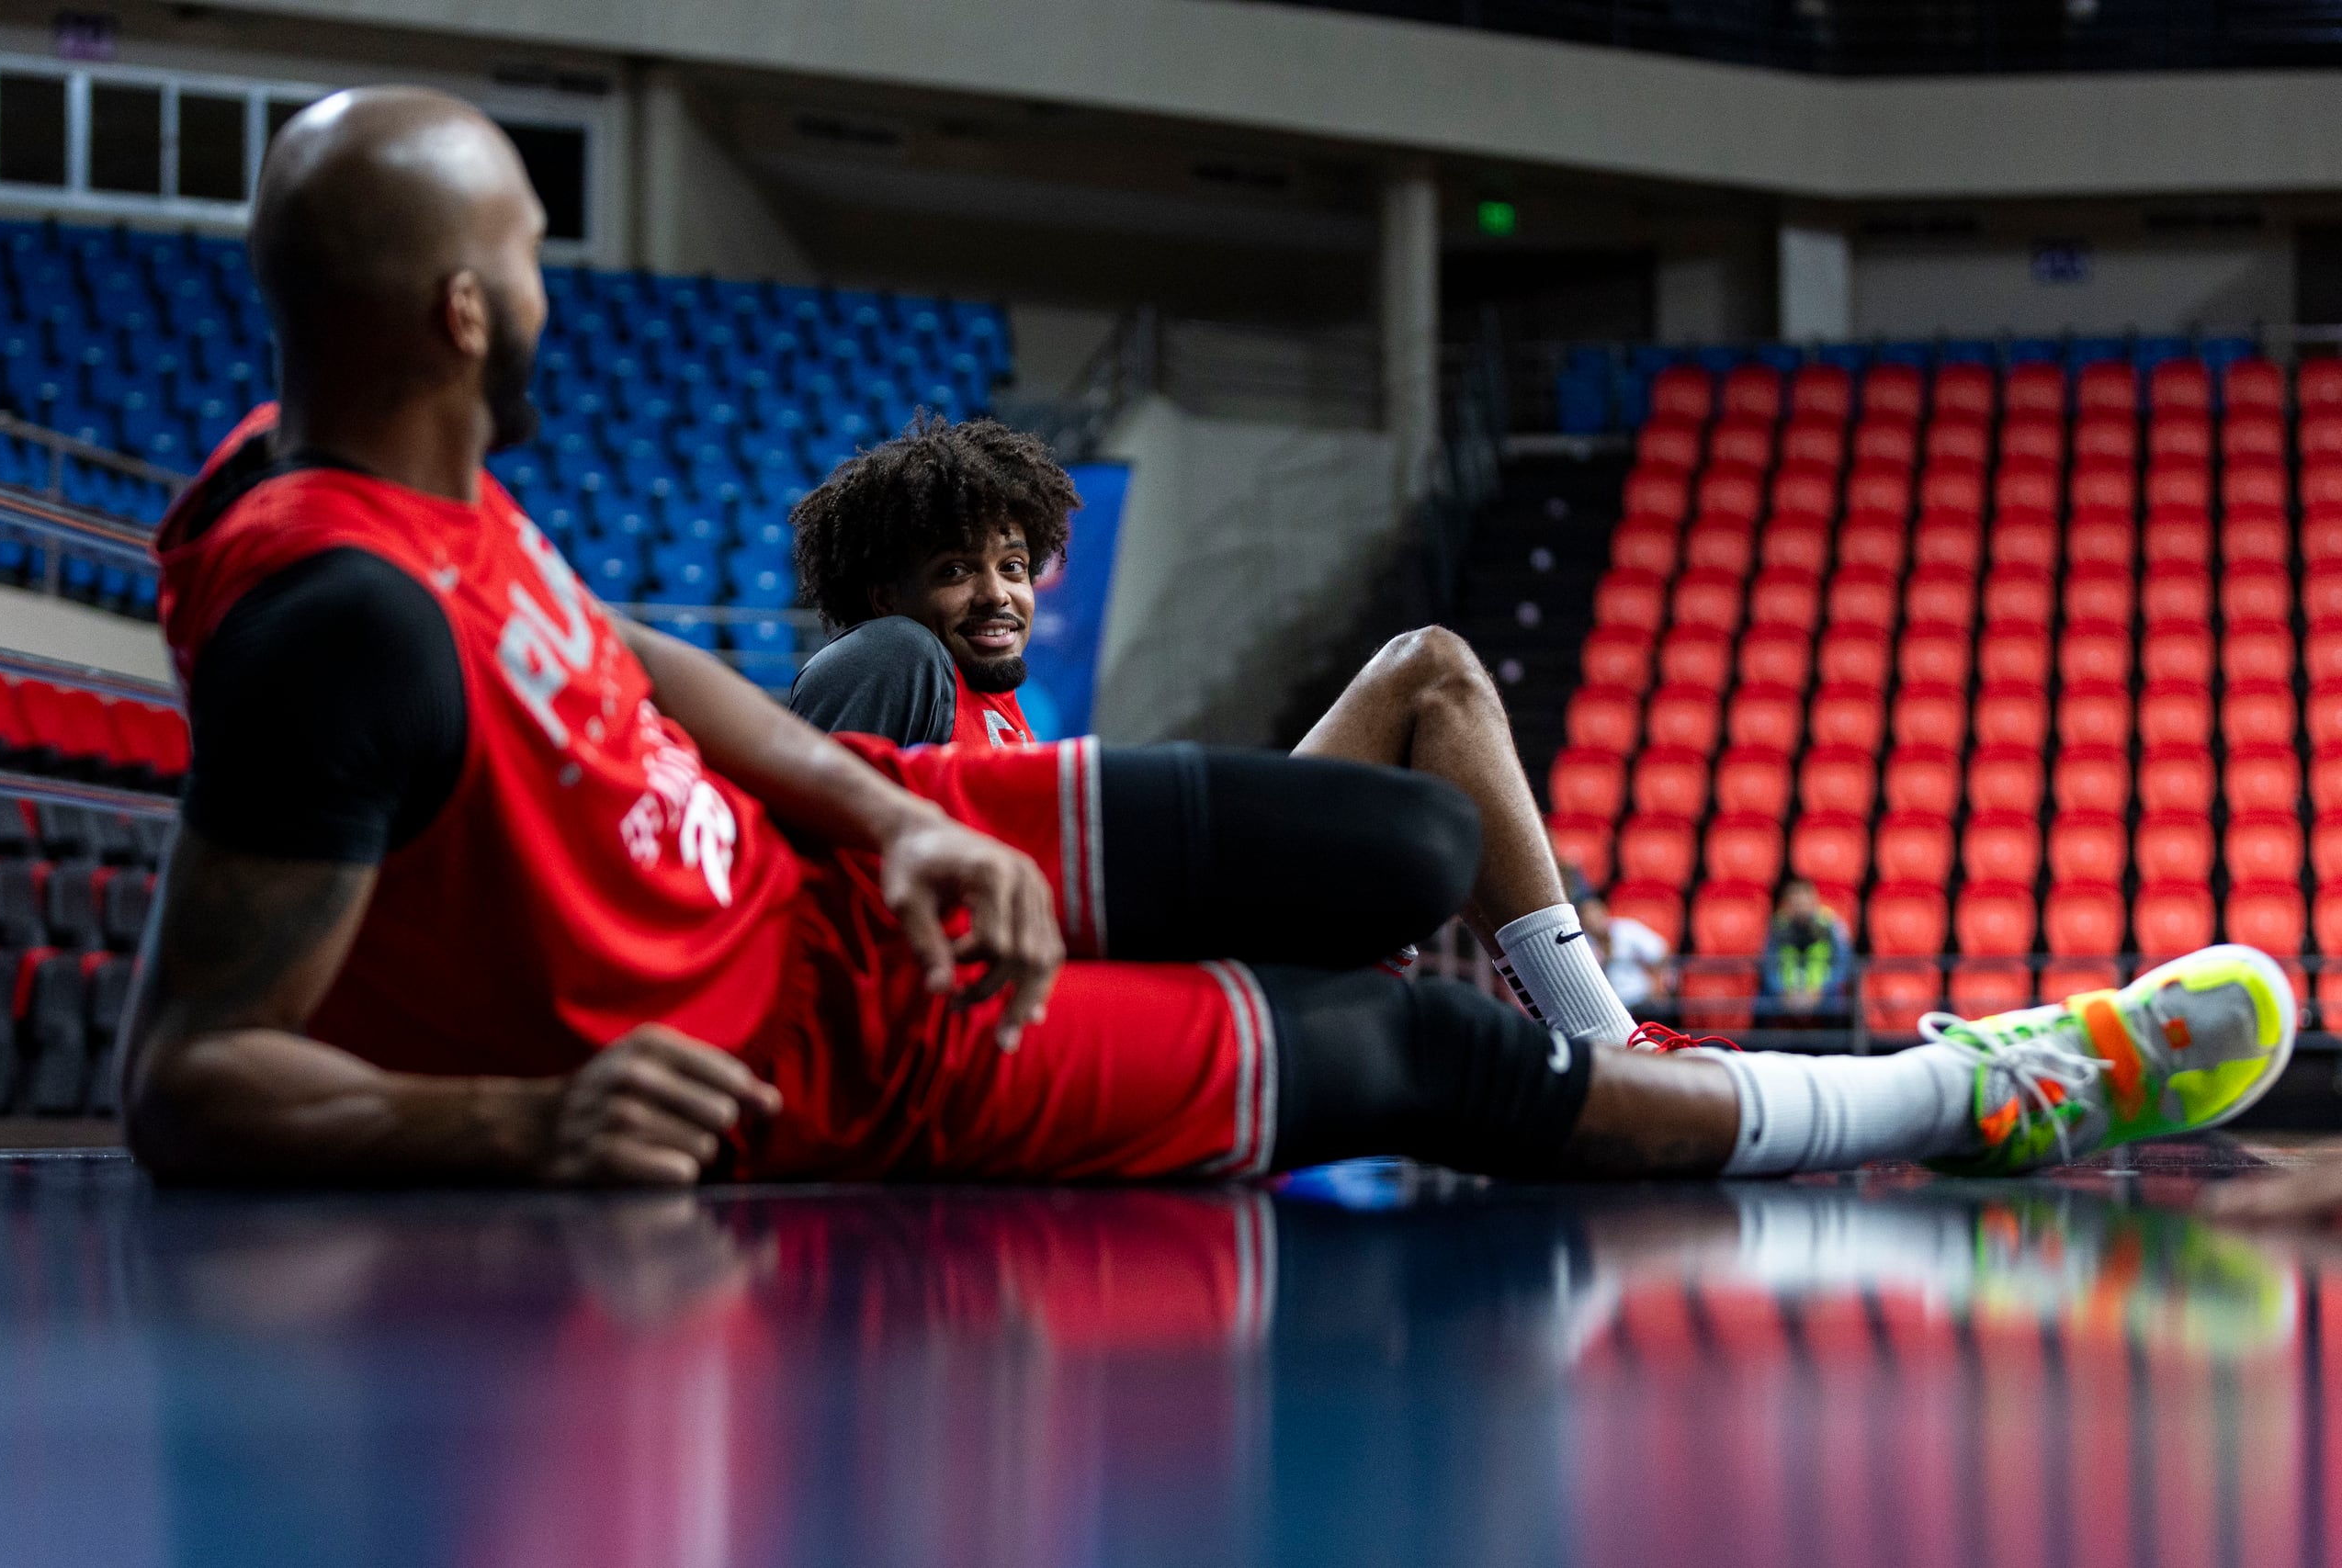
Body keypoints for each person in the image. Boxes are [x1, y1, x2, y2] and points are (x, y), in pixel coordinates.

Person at [119, 85, 2298, 1194]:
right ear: (462, 311)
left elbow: (635, 663)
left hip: (848, 877)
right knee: (1435, 1053)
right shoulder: (340, 621)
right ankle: (1964, 1089)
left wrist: (891, 819)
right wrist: (531, 1118)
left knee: (1403, 852)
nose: (555, 289)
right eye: (531, 248)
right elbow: (185, 1078)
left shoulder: (399, 471)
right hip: (841, 1050)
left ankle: (1622, 1063)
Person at [786, 417, 1634, 1041]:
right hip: (1092, 1012)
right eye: (954, 571)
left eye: (1012, 566)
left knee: (1432, 676)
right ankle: (1594, 1037)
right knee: (1429, 681)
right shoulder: (893, 654)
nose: (998, 594)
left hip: (1153, 962)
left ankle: (1603, 1036)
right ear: (884, 595)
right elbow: (797, 893)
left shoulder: (999, 709)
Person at [1759, 876, 1850, 1024]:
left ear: (1814, 901)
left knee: (1840, 1003)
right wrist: (1781, 991)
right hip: (1785, 992)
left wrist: (1821, 990)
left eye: (1804, 902)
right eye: (1796, 903)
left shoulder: (1830, 924)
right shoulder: (1777, 926)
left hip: (1823, 992)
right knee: (1762, 1001)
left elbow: (1843, 964)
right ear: (1788, 904)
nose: (1801, 908)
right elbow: (1768, 966)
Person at [1578, 894, 1671, 1014]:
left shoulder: (1627, 930)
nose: (1593, 919)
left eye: (1596, 912)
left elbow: (1660, 950)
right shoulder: (1581, 942)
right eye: (1587, 915)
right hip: (1603, 1003)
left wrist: (1657, 983)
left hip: (1639, 997)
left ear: (1604, 911)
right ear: (1581, 920)